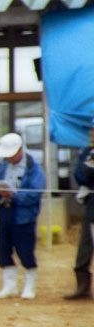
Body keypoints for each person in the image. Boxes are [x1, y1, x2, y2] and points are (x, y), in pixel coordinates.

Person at [0, 133, 46, 300]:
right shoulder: (2, 167)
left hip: (23, 214)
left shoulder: (34, 169)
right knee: (3, 249)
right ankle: (9, 286)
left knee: (25, 250)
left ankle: (29, 286)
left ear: (20, 150)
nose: (9, 158)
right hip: (4, 211)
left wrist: (14, 196)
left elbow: (34, 194)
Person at [65, 118, 94, 300]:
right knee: (85, 246)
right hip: (91, 206)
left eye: (93, 130)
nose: (91, 133)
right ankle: (82, 287)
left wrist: (89, 171)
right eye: (90, 130)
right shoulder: (87, 152)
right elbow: (79, 174)